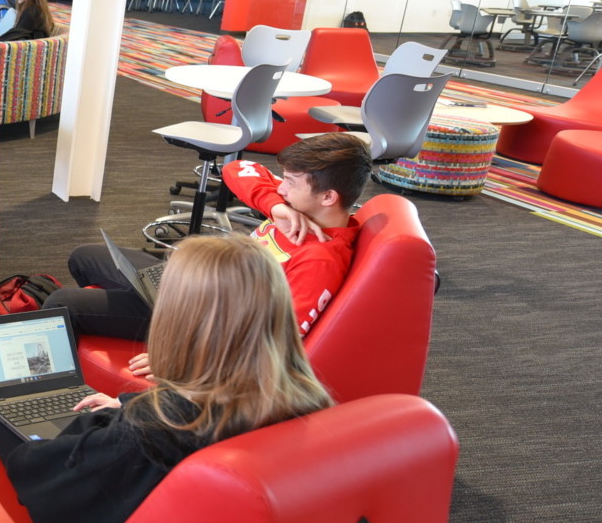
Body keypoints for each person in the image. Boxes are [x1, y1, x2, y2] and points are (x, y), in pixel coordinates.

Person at [0, 235, 333, 523]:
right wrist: (125, 405)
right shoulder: (304, 401)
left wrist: (104, 425)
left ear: (182, 323)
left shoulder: (156, 429)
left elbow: (49, 492)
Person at [45, 132, 371, 362]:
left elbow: (277, 341)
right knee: (84, 256)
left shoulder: (320, 260)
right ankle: (105, 321)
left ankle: (54, 388)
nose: (281, 186)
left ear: (329, 197)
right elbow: (236, 169)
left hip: (199, 319)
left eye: (290, 182)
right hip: (193, 285)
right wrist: (274, 205)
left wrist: (185, 356)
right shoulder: (296, 205)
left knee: (62, 304)